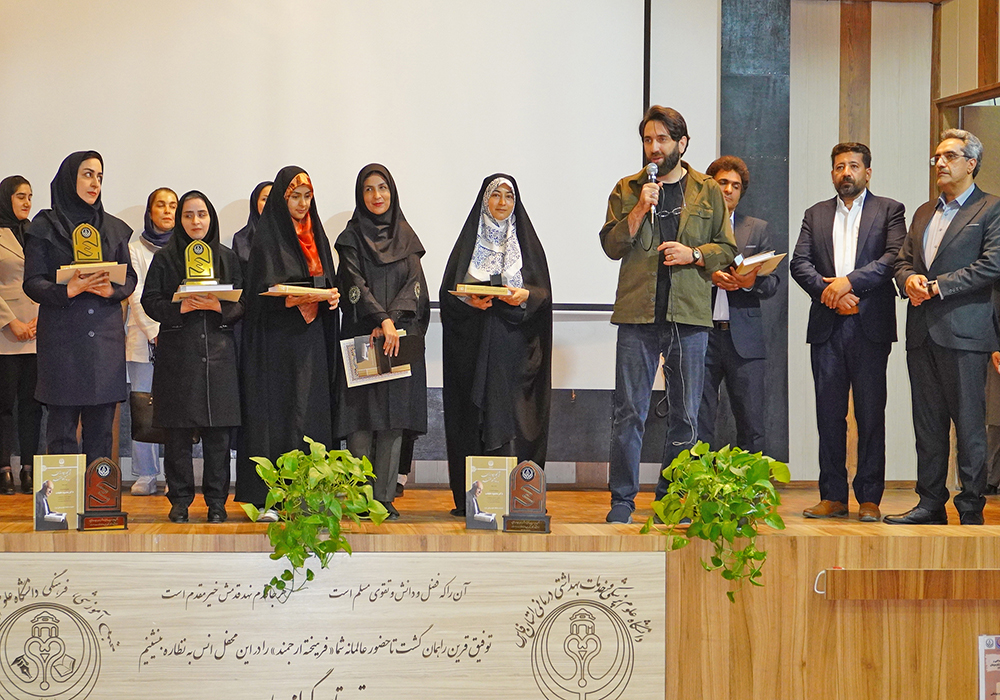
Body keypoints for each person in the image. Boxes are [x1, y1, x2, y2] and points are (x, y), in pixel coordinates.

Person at [601, 106, 736, 524]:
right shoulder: (628, 188)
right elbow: (611, 245)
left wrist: (693, 254)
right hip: (637, 316)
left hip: (689, 317)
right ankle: (622, 501)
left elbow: (726, 248)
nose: (654, 148)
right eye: (648, 140)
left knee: (686, 415)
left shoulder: (708, 190)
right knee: (629, 413)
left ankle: (671, 500)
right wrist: (639, 209)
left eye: (662, 139)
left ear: (682, 143)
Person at [885, 129, 1000, 525]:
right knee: (928, 426)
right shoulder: (923, 212)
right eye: (937, 156)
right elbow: (902, 261)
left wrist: (937, 286)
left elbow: (992, 264)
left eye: (949, 156)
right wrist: (909, 281)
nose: (940, 163)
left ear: (971, 163)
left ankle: (970, 508)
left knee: (969, 427)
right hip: (922, 333)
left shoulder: (991, 209)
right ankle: (930, 504)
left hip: (965, 334)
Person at [790, 143, 906, 523]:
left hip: (869, 325)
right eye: (839, 166)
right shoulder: (815, 214)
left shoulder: (889, 210)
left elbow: (892, 258)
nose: (846, 173)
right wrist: (831, 295)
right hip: (828, 325)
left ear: (867, 173)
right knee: (829, 415)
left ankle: (869, 498)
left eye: (853, 166)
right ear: (832, 173)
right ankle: (833, 496)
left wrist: (848, 283)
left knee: (871, 414)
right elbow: (799, 263)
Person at [439, 174, 552, 517]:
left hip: (515, 357)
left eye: (508, 196)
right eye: (496, 195)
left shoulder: (527, 246)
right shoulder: (468, 244)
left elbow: (543, 296)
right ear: (484, 200)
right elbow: (448, 296)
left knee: (513, 421)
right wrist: (468, 302)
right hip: (474, 353)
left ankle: (516, 500)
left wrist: (525, 295)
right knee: (474, 419)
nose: (502, 202)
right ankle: (476, 502)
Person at [237, 166, 339, 520]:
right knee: (278, 417)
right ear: (282, 199)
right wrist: (291, 299)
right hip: (276, 345)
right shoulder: (267, 239)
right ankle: (271, 499)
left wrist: (331, 297)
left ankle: (310, 498)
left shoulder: (317, 237)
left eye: (307, 196)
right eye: (295, 196)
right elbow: (257, 296)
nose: (302, 203)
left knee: (309, 414)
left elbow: (327, 281)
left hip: (310, 342)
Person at [23, 151, 137, 465]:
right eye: (87, 174)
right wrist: (67, 290)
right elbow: (32, 281)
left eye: (99, 176)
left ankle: (98, 495)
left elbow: (129, 277)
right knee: (61, 433)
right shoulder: (44, 226)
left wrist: (113, 290)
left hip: (104, 343)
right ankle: (61, 496)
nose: (95, 183)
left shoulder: (114, 228)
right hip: (63, 344)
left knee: (101, 434)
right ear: (68, 178)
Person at [141, 191, 243, 523]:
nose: (195, 221)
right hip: (178, 358)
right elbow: (149, 301)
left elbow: (244, 303)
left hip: (219, 357)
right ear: (180, 220)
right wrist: (179, 308)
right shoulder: (165, 258)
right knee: (177, 438)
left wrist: (219, 307)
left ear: (211, 218)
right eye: (188, 215)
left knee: (218, 439)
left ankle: (217, 504)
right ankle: (180, 502)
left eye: (201, 214)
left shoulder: (227, 257)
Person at [335, 164, 428, 520]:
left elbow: (415, 286)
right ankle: (359, 499)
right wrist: (379, 320)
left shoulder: (407, 236)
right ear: (361, 195)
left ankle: (384, 498)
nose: (377, 196)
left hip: (398, 339)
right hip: (363, 336)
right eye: (369, 189)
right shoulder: (350, 238)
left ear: (392, 192)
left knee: (393, 419)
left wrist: (394, 323)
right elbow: (353, 284)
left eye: (383, 188)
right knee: (360, 421)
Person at [697, 156, 780, 454]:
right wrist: (709, 277)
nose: (729, 190)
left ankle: (752, 483)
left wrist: (749, 282)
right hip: (701, 336)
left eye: (736, 185)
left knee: (752, 422)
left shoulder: (756, 229)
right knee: (698, 422)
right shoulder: (695, 228)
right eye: (723, 183)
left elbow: (773, 284)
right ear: (710, 186)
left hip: (745, 339)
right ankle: (699, 481)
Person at [126, 187, 177, 495]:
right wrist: (154, 331)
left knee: (174, 407)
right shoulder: (134, 249)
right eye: (161, 205)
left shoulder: (186, 250)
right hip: (143, 338)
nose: (167, 211)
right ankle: (145, 473)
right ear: (150, 211)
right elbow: (136, 293)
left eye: (173, 205)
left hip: (177, 337)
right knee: (142, 404)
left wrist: (170, 328)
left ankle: (175, 473)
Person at [0, 176, 41, 495]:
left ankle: (28, 468)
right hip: (5, 332)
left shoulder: (36, 233)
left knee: (32, 404)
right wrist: (10, 322)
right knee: (4, 405)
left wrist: (42, 317)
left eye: (30, 196)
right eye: (20, 196)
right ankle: (3, 469)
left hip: (38, 330)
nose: (27, 202)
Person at [231, 181, 273, 266]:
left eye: (275, 199)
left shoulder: (292, 235)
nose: (269, 204)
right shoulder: (241, 239)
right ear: (255, 202)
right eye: (265, 199)